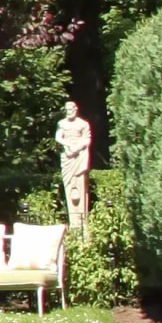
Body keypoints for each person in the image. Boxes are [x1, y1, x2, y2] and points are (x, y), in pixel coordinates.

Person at [56, 99, 95, 232]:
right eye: (66, 110)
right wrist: (68, 145)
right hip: (67, 157)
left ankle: (82, 224)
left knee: (79, 186)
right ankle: (73, 223)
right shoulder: (62, 123)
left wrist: (77, 147)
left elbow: (87, 139)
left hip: (78, 157)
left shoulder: (83, 124)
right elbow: (58, 137)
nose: (69, 112)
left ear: (76, 110)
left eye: (71, 110)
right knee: (69, 186)